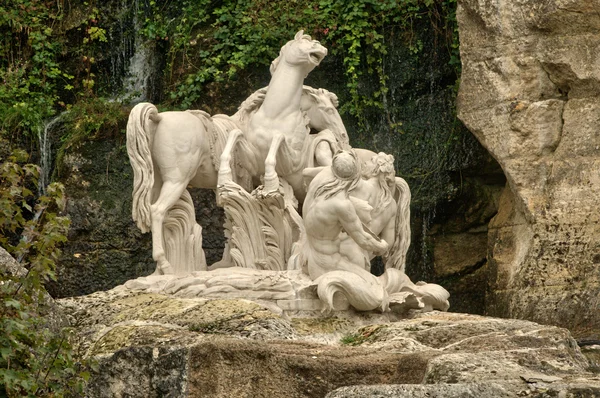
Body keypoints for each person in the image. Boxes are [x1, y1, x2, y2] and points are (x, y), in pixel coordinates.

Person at [302, 150, 389, 280]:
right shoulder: (341, 204)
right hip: (326, 264)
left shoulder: (325, 173)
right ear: (353, 177)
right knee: (374, 287)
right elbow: (363, 240)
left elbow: (305, 172)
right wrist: (382, 246)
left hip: (308, 252)